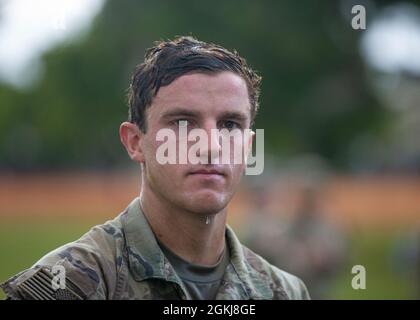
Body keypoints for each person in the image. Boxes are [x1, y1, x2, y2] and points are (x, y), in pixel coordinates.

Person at [1, 36, 309, 300]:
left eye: (230, 124)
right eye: (183, 123)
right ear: (135, 142)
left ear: (248, 147)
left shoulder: (284, 291)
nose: (211, 145)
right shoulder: (70, 284)